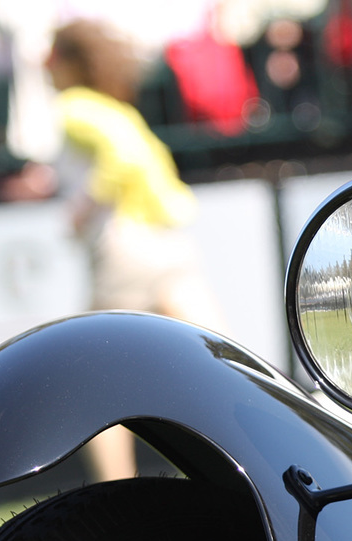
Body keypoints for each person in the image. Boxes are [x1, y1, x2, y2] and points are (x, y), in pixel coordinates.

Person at [46, 18, 222, 480]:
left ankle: (114, 491)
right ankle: (233, 475)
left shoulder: (74, 107)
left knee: (95, 378)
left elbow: (121, 159)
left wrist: (84, 205)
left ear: (67, 62)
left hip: (125, 247)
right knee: (215, 365)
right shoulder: (118, 109)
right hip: (168, 242)